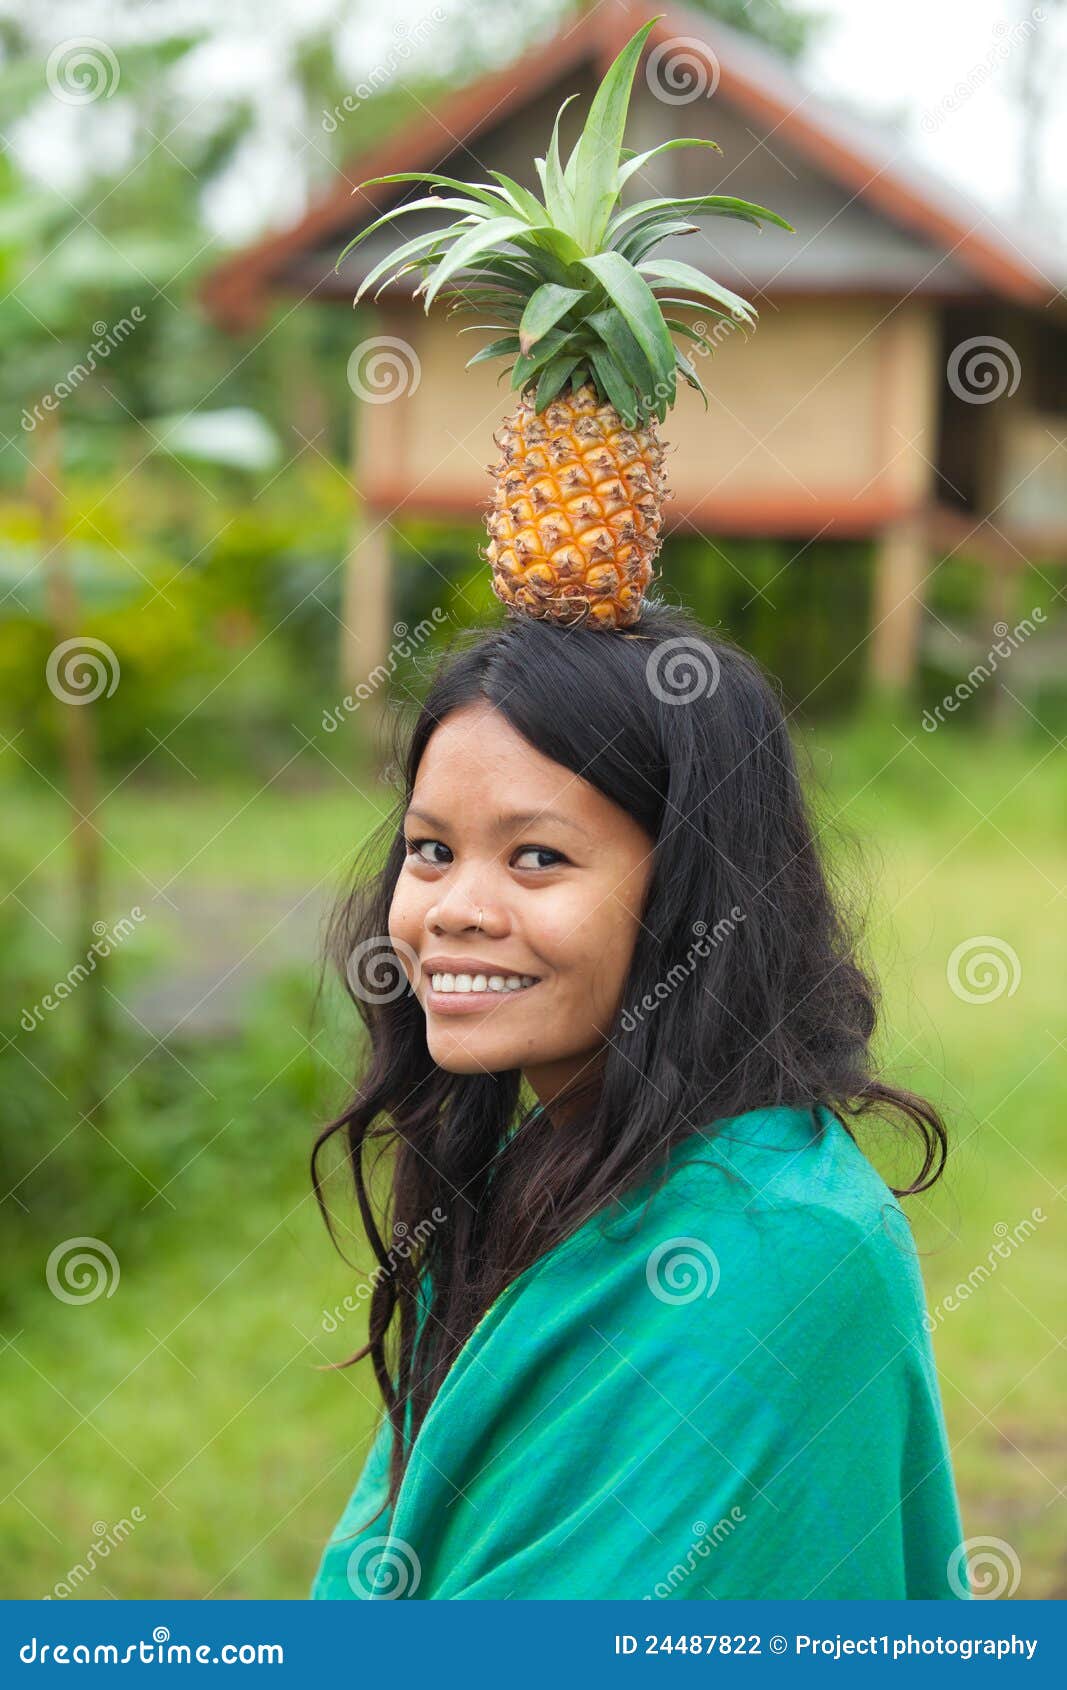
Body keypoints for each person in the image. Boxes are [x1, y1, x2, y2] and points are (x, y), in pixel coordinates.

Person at [307, 601, 969, 1601]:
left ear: (692, 895)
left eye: (537, 857)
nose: (452, 909)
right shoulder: (529, 1169)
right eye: (431, 849)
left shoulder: (782, 1245)